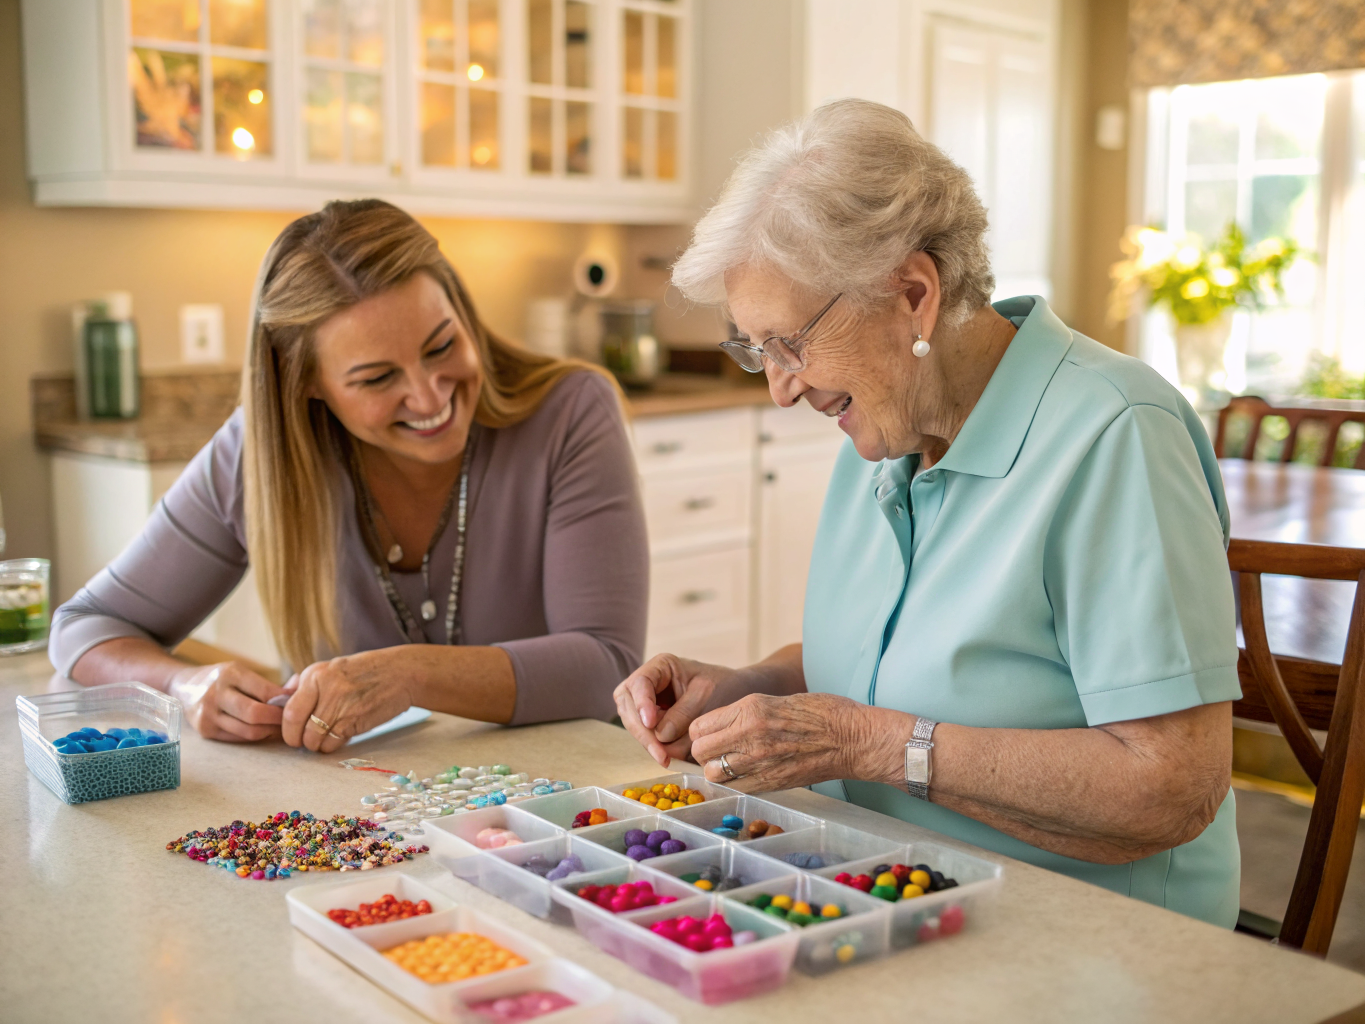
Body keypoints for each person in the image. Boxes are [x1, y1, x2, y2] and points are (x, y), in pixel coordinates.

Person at [614, 100, 1242, 926]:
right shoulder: (884, 431)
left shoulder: (1116, 431)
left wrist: (863, 742)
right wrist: (750, 688)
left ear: (912, 294)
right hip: (884, 896)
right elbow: (913, 655)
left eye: (789, 343)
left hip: (1084, 936)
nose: (779, 385)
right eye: (754, 348)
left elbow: (1170, 788)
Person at [52, 199, 648, 752]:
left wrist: (408, 673)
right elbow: (85, 628)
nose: (427, 395)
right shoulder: (258, 456)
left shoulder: (571, 411)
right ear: (306, 384)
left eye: (441, 346)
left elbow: (607, 665)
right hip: (358, 823)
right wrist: (184, 686)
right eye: (376, 378)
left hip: (553, 807)